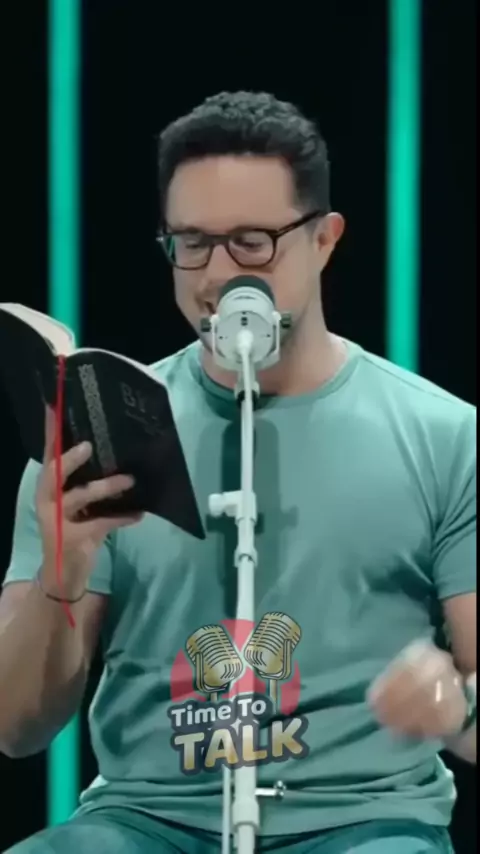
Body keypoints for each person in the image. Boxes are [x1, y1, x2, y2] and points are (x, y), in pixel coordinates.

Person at [0, 91, 476, 854]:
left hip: (365, 823)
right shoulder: (96, 433)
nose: (219, 276)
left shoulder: (445, 436)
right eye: (192, 243)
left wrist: (455, 704)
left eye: (252, 243)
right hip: (144, 823)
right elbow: (16, 728)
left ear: (324, 239)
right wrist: (60, 576)